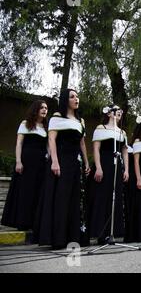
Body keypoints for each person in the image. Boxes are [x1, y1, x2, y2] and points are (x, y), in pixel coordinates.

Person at [34, 89, 90, 249]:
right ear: (65, 100)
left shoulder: (81, 121)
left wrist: (86, 161)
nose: (76, 99)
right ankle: (58, 238)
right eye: (72, 97)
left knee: (75, 199)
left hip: (76, 162)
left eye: (77, 96)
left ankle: (74, 237)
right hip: (62, 160)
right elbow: (51, 139)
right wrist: (54, 161)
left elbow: (82, 143)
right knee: (61, 198)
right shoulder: (57, 117)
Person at [1, 100, 48, 231]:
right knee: (25, 191)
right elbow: (19, 143)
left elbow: (48, 147)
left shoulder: (46, 127)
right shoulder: (25, 124)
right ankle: (22, 222)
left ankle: (34, 223)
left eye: (46, 108)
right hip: (26, 162)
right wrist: (18, 161)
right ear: (36, 109)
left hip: (41, 164)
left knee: (37, 191)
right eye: (42, 108)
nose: (44, 110)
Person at [87, 105, 129, 244]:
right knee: (103, 196)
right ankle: (100, 233)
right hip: (104, 163)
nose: (119, 113)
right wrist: (98, 167)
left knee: (115, 196)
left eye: (120, 111)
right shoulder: (101, 128)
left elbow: (124, 151)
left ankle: (113, 232)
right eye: (116, 110)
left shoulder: (122, 132)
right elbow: (96, 149)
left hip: (117, 166)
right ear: (110, 113)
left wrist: (126, 169)